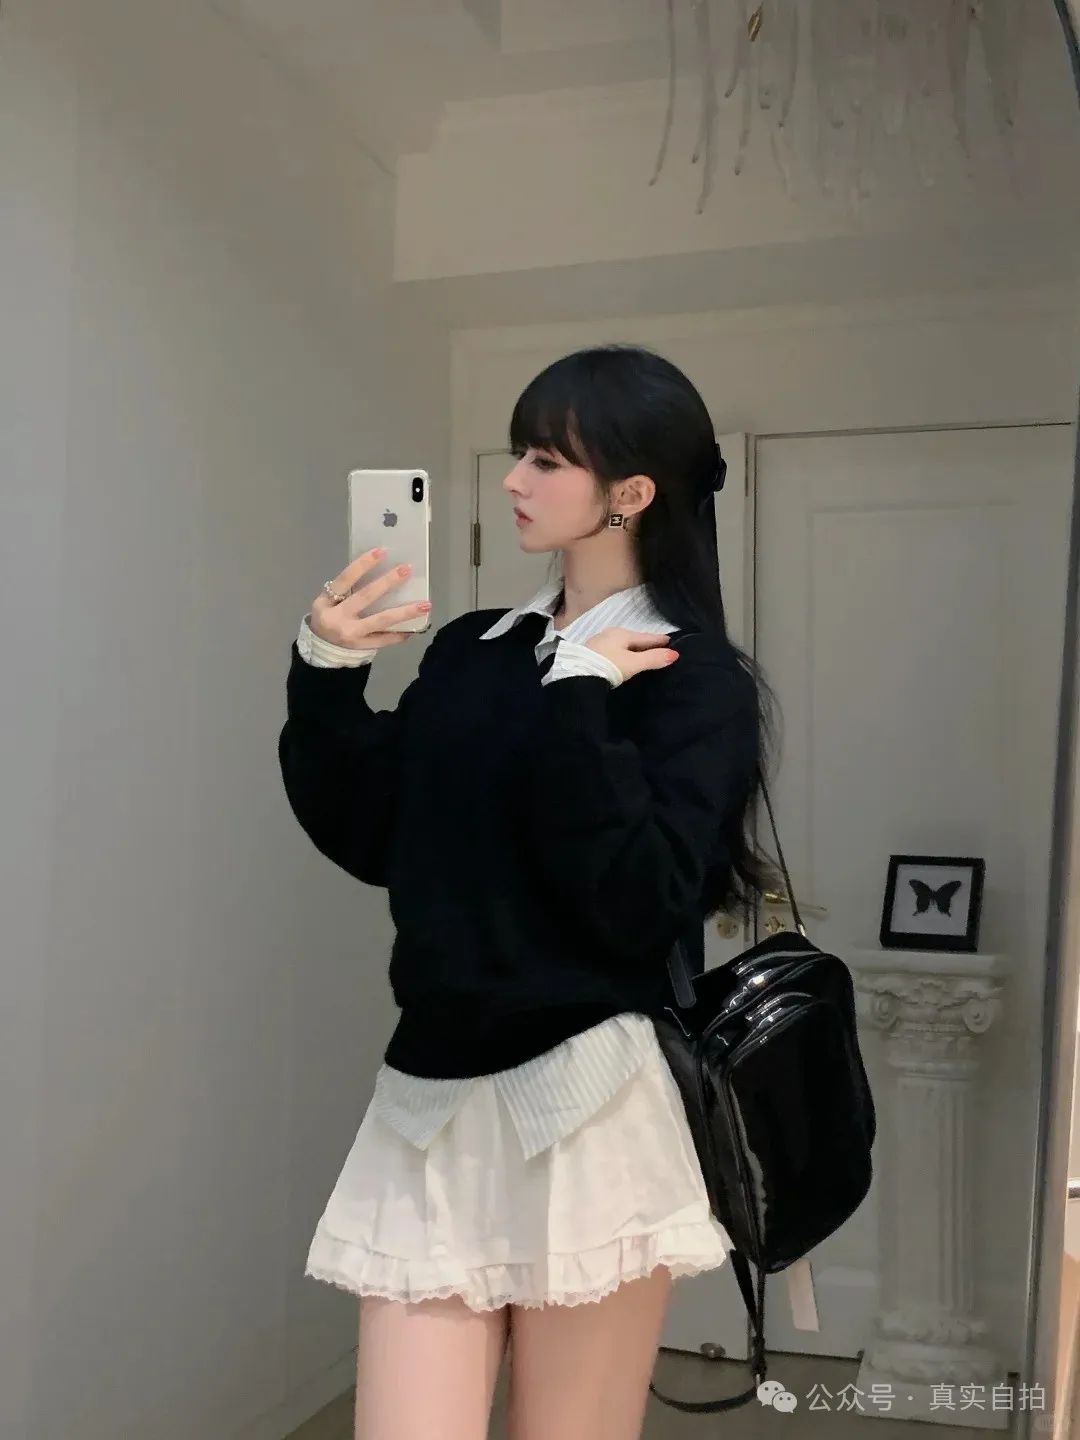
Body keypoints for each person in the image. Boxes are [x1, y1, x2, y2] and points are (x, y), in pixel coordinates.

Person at [278, 343, 778, 1440]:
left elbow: (639, 901)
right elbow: (375, 835)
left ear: (630, 494)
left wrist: (581, 702)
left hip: (587, 1101)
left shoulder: (693, 680)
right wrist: (326, 672)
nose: (513, 480)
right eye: (519, 454)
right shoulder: (476, 652)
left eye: (546, 461)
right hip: (427, 1099)